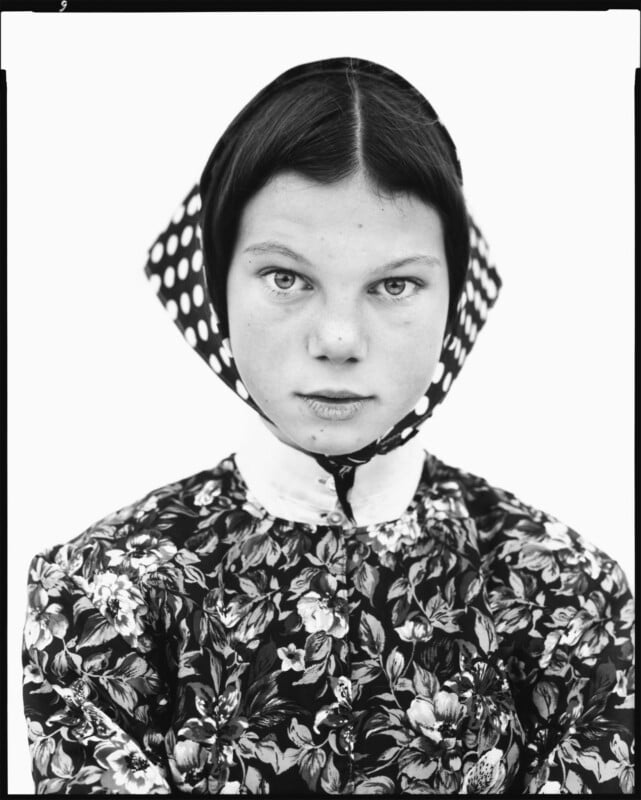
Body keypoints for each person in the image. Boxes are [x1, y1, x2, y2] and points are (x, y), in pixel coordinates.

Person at [22, 57, 634, 795]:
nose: (338, 338)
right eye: (287, 278)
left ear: (454, 300)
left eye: (394, 284)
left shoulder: (567, 594)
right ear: (216, 283)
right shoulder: (99, 595)